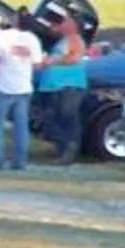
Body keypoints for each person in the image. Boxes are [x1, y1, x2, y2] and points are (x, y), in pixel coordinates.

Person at [0, 17, 46, 171]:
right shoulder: (33, 40)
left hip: (4, 85)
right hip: (24, 87)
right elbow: (37, 65)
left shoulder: (2, 37)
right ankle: (19, 162)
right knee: (21, 126)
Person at [34, 11, 90, 163]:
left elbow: (75, 57)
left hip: (69, 85)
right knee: (52, 118)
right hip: (55, 86)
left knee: (67, 118)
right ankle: (63, 148)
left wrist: (54, 61)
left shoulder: (75, 39)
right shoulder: (62, 40)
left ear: (74, 25)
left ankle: (68, 147)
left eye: (66, 21)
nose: (62, 24)